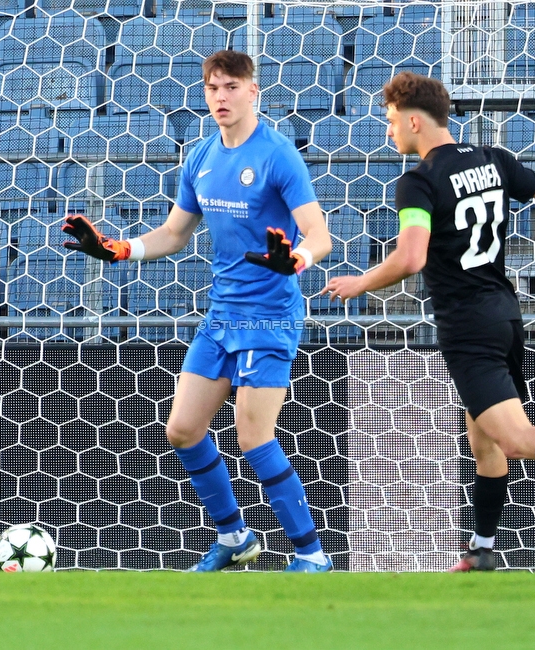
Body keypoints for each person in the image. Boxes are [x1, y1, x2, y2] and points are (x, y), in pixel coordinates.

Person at [322, 71, 535, 572]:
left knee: (515, 438)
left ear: (413, 120)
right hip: (504, 315)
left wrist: (360, 283)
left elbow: (411, 258)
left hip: (468, 326)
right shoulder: (492, 160)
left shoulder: (418, 181)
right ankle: (482, 548)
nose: (389, 133)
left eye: (390, 122)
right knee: (485, 440)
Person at [62, 50, 334, 572]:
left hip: (269, 315)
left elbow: (320, 234)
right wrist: (118, 250)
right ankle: (234, 538)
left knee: (254, 434)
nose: (221, 97)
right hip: (221, 315)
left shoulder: (278, 156)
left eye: (231, 87)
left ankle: (311, 554)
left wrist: (295, 258)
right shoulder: (202, 157)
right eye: (212, 88)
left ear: (254, 92)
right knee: (182, 429)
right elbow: (173, 233)